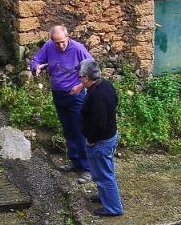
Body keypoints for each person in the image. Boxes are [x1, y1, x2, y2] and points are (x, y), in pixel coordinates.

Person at [28, 25, 93, 181]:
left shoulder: (78, 48)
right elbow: (36, 60)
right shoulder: (49, 46)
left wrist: (80, 86)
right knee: (68, 129)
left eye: (62, 42)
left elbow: (92, 69)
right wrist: (36, 67)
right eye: (57, 43)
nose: (60, 45)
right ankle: (74, 160)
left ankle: (87, 168)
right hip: (58, 94)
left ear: (67, 37)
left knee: (79, 129)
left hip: (76, 95)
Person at [79, 58, 123, 217]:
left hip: (100, 141)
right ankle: (105, 197)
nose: (79, 79)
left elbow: (99, 124)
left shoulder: (97, 96)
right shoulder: (106, 86)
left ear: (86, 78)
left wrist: (91, 139)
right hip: (109, 136)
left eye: (80, 77)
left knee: (105, 175)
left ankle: (113, 208)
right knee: (103, 172)